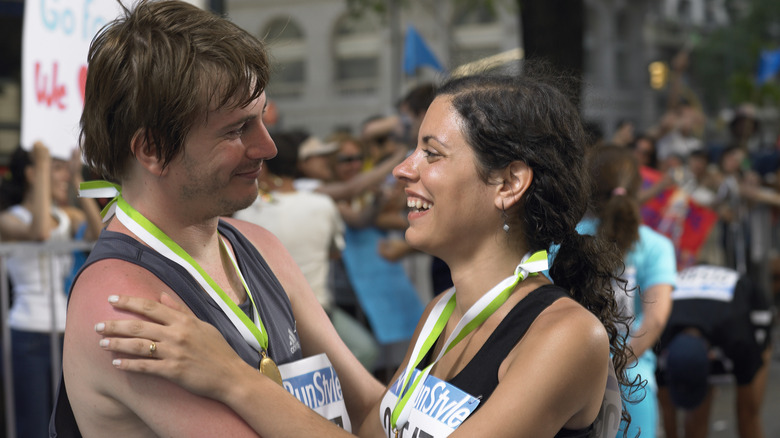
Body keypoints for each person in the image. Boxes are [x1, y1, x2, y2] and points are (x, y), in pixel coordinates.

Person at [96, 72, 634, 437]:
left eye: (432, 152)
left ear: (508, 183)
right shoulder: (443, 312)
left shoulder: (565, 336)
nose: (403, 169)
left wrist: (231, 379)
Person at [54, 1, 383, 436]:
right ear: (152, 149)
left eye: (261, 118)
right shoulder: (121, 302)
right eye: (236, 130)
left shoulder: (258, 244)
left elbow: (371, 410)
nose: (268, 148)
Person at [233, 131, 379, 370]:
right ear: (298, 164)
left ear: (265, 168)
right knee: (365, 351)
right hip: (320, 312)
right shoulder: (322, 205)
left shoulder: (247, 212)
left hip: (269, 317)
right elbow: (335, 252)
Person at [562, 144, 676, 438]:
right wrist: (615, 366)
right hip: (633, 382)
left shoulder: (563, 244)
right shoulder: (656, 246)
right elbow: (655, 320)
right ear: (637, 188)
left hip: (567, 379)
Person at [0, 142, 102, 438]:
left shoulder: (65, 215)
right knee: (32, 425)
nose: (59, 172)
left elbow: (98, 234)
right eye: (53, 167)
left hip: (64, 333)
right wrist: (44, 164)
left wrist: (76, 181)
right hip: (27, 333)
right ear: (33, 173)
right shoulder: (9, 218)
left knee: (65, 427)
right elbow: (40, 233)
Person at [656, 264, 774, 438]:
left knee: (748, 413)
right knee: (695, 417)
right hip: (696, 313)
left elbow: (746, 396)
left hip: (746, 314)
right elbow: (667, 409)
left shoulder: (739, 338)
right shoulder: (658, 334)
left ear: (711, 357)